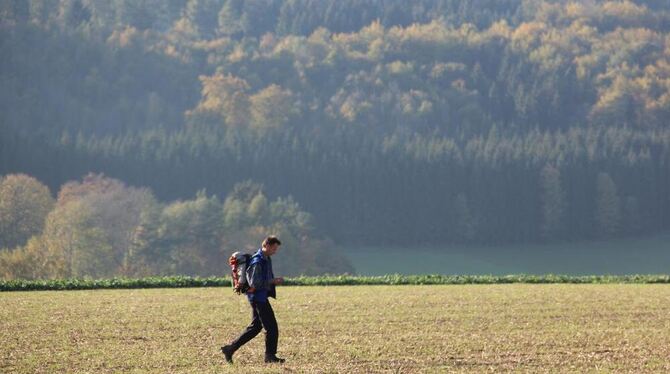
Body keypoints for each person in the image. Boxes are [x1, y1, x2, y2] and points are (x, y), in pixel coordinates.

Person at [222, 236, 286, 364]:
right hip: (258, 298)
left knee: (255, 327)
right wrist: (273, 281)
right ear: (266, 245)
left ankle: (230, 349)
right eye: (273, 248)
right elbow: (254, 283)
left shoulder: (266, 259)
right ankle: (270, 356)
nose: (275, 251)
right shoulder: (257, 261)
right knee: (271, 327)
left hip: (260, 297)